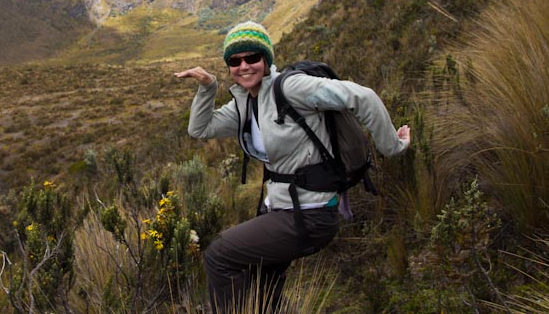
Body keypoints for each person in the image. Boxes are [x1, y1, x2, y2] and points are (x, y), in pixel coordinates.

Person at [175, 21, 410, 313]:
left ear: (267, 59)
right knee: (263, 282)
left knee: (220, 255)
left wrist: (393, 147)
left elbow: (363, 97)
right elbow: (200, 128)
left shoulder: (291, 88)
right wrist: (209, 87)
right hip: (280, 208)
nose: (244, 66)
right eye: (235, 61)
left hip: (311, 213)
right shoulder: (245, 104)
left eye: (252, 58)